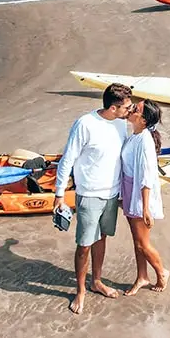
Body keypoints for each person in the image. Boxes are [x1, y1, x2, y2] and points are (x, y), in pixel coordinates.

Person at [53, 82, 133, 314]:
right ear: (113, 108)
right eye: (126, 107)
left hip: (112, 194)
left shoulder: (121, 124)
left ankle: (96, 281)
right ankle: (80, 291)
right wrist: (59, 194)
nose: (130, 110)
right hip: (89, 194)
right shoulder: (85, 124)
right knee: (84, 245)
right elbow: (67, 159)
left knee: (102, 238)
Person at [120, 99, 170, 295]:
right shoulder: (135, 135)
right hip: (129, 190)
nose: (132, 109)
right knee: (136, 240)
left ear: (143, 120)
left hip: (140, 195)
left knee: (143, 243)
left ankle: (162, 272)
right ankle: (142, 276)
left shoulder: (144, 141)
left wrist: (145, 208)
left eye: (136, 109)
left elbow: (147, 176)